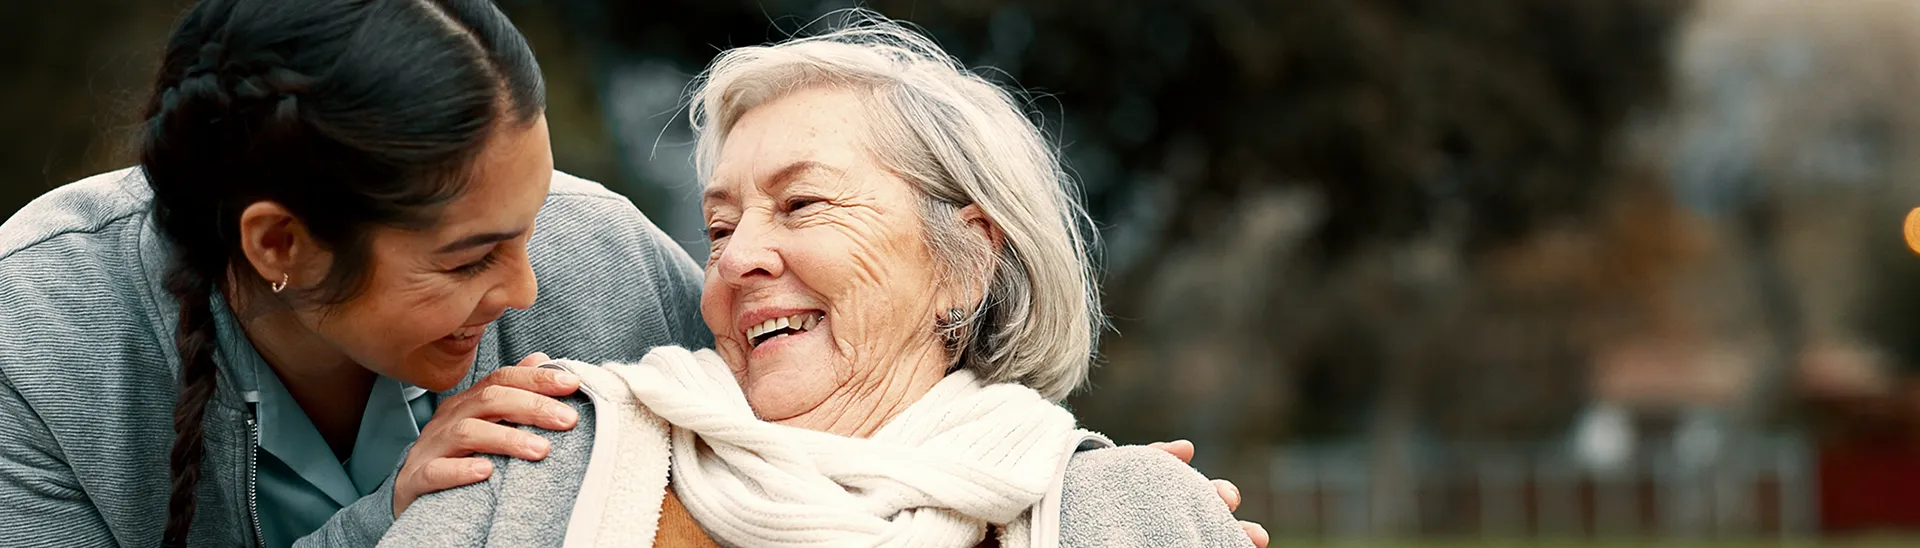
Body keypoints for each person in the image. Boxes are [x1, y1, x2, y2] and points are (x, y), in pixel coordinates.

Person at [0, 1, 1264, 546]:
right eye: (471, 253)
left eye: (800, 200)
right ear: (280, 247)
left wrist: (1112, 490)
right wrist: (393, 520)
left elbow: (845, 393)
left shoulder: (593, 261)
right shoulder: (37, 332)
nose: (536, 287)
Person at [382, 13, 1258, 547]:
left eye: (801, 206)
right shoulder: (545, 461)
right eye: (719, 227)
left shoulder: (1125, 514)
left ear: (969, 262)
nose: (733, 258)